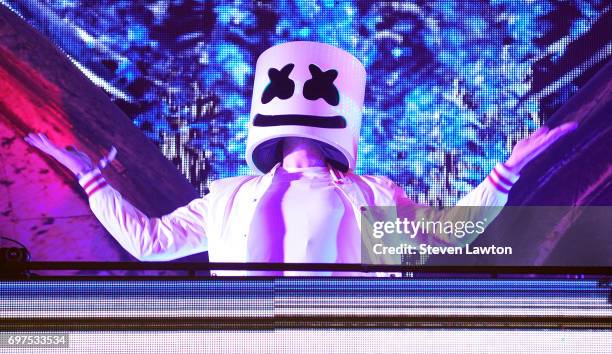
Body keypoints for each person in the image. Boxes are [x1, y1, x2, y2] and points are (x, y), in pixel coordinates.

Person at [25, 41, 577, 276]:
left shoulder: (374, 196)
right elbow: (149, 244)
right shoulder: (228, 196)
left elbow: (453, 234)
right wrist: (87, 173)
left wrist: (510, 168)